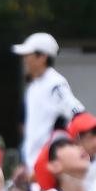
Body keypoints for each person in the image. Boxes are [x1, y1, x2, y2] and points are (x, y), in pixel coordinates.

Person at [13, 32, 83, 172]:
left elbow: (77, 112)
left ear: (42, 58)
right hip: (33, 166)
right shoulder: (33, 86)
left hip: (49, 165)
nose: (24, 60)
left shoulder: (55, 83)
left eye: (28, 55)